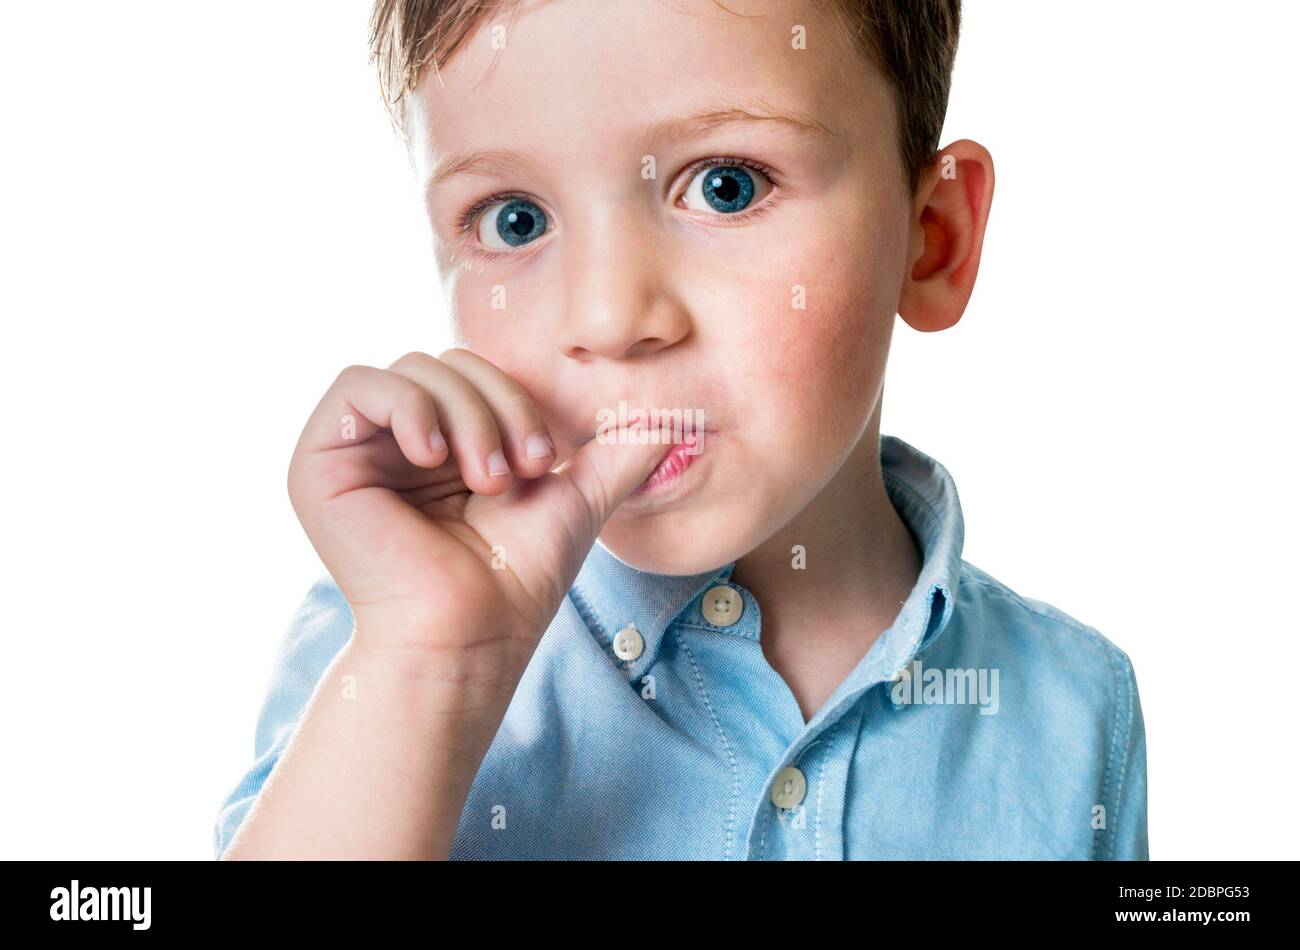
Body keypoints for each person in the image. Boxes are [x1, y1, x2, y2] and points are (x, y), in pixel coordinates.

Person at [214, 0, 1147, 860]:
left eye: (728, 187)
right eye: (516, 219)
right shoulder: (388, 635)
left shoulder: (1076, 709)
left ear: (933, 236)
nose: (612, 315)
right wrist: (427, 667)